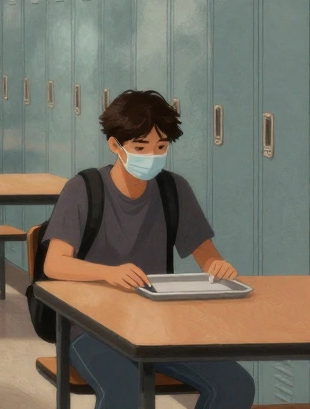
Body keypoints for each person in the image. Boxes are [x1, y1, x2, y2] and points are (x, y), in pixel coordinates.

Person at [40, 90, 253, 409]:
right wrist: (110, 274)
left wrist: (217, 267)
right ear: (115, 145)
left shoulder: (174, 189)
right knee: (127, 391)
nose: (152, 155)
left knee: (235, 384)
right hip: (89, 327)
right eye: (141, 147)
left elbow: (207, 255)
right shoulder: (84, 189)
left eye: (161, 147)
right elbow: (54, 265)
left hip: (157, 327)